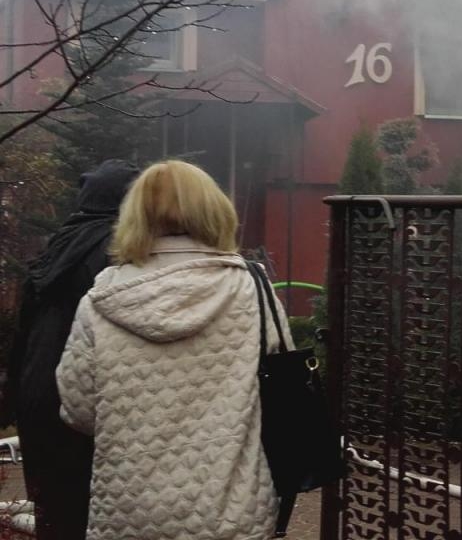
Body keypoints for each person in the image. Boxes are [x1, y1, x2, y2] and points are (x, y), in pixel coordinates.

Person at [56, 159, 293, 539]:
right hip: (233, 510)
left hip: (128, 511)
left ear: (134, 216)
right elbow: (284, 393)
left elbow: (78, 410)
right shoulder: (253, 289)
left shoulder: (101, 299)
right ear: (215, 211)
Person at [5, 158, 139, 540]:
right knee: (90, 515)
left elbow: (24, 329)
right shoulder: (117, 250)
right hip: (80, 398)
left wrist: (13, 395)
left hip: (36, 394)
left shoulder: (57, 245)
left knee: (54, 514)